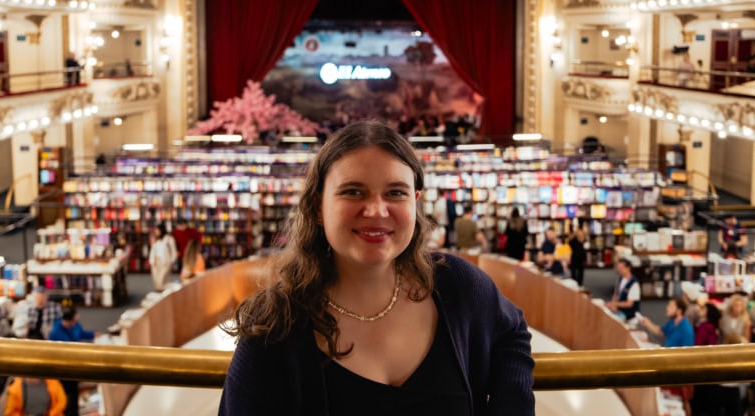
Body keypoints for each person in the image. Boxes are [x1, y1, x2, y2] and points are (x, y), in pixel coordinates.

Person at [219, 121, 535, 414]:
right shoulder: (274, 327)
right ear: (318, 207)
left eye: (395, 193)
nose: (376, 210)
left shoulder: (457, 284)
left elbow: (513, 331)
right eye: (353, 191)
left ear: (416, 201)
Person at [49, 307, 95, 416]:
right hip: (63, 369)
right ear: (69, 321)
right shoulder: (56, 333)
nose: (77, 323)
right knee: (67, 395)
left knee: (74, 393)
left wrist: (93, 334)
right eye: (75, 321)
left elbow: (81, 333)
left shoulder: (75, 325)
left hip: (74, 365)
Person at [2, 376, 67, 416]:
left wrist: (51, 414)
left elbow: (61, 401)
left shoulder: (52, 382)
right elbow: (11, 412)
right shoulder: (16, 388)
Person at [148, 225, 177, 291]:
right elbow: (153, 250)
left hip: (165, 262)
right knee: (156, 280)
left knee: (162, 280)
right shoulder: (155, 239)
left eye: (157, 230)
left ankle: (161, 294)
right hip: (156, 261)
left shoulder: (169, 239)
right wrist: (151, 261)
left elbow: (173, 251)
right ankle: (158, 293)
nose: (156, 231)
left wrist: (171, 261)